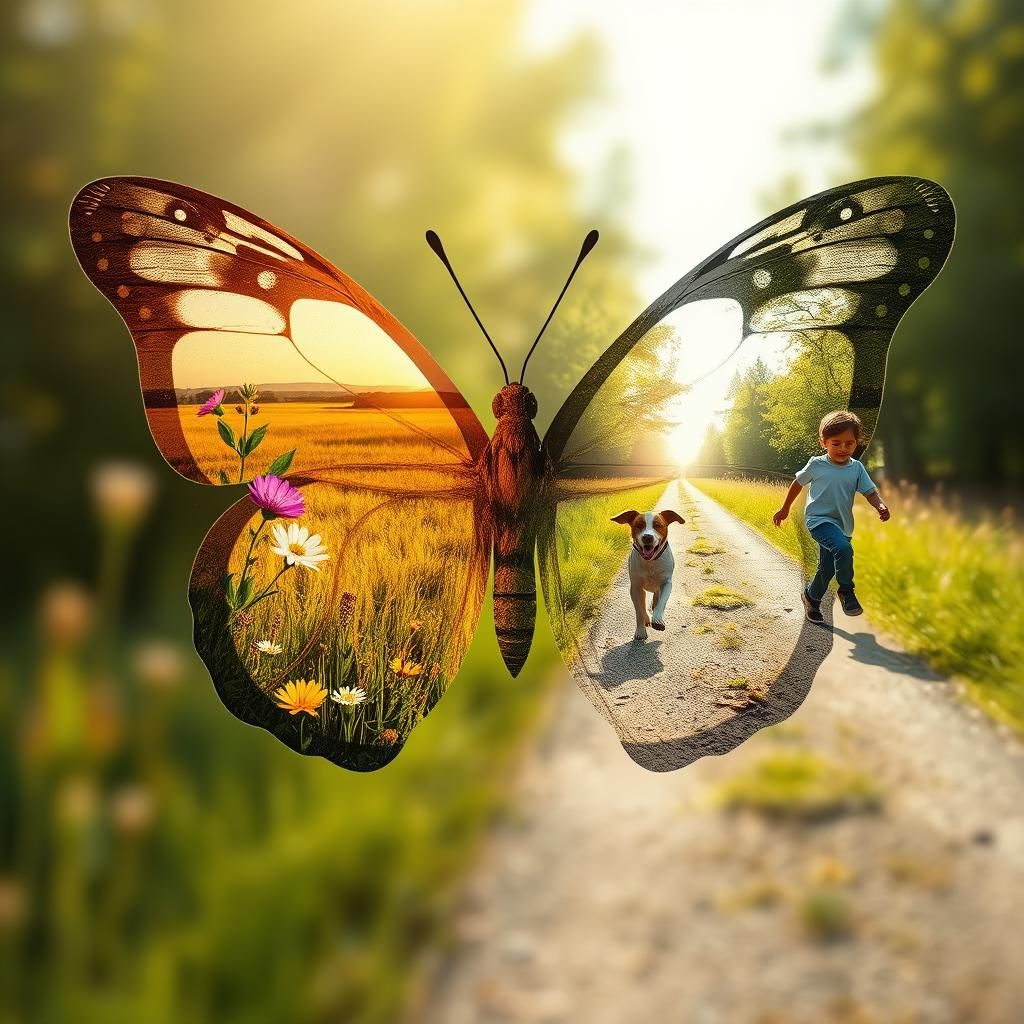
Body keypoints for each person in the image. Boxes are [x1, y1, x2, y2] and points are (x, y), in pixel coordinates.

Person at [772, 410, 890, 622]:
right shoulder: (817, 464)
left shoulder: (857, 469)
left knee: (826, 570)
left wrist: (880, 505)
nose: (843, 449)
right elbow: (797, 484)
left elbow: (870, 492)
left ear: (857, 443)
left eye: (849, 443)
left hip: (843, 526)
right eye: (836, 443)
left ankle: (811, 598)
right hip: (818, 520)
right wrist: (785, 508)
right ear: (824, 442)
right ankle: (846, 590)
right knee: (843, 549)